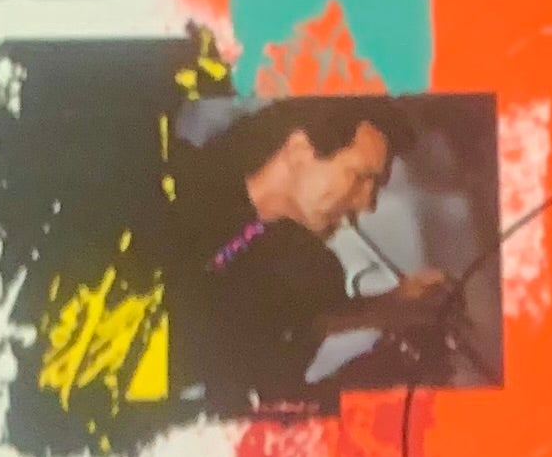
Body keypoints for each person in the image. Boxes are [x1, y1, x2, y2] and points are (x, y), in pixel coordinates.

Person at [175, 98, 455, 413]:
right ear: (299, 151)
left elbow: (280, 323)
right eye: (361, 177)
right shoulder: (179, 188)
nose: (367, 204)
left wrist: (389, 308)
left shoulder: (296, 263)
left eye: (376, 186)